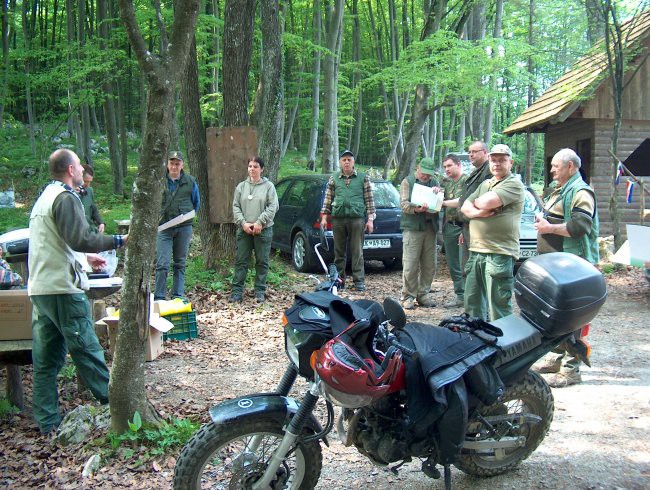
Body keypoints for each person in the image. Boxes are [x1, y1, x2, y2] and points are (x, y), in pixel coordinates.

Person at [28, 148, 127, 434]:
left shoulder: (44, 199)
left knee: (46, 360)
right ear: (71, 170)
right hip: (62, 290)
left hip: (41, 289)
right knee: (86, 347)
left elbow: (55, 243)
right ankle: (117, 409)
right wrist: (119, 240)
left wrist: (84, 259)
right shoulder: (65, 198)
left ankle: (47, 422)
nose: (84, 171)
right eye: (80, 167)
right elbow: (80, 237)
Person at [533, 148, 600, 387]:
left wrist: (548, 229)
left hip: (573, 267)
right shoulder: (562, 190)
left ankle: (572, 369)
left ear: (571, 167)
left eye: (555, 165)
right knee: (558, 315)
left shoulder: (581, 192)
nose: (551, 169)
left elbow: (580, 226)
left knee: (575, 318)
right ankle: (556, 357)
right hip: (558, 266)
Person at [460, 144, 525, 321]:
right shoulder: (485, 184)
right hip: (476, 251)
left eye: (502, 160)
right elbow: (465, 205)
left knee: (499, 305)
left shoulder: (514, 184)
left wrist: (477, 207)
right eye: (493, 160)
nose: (497, 163)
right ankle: (477, 342)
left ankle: (504, 345)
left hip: (499, 253)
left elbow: (486, 202)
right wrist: (477, 213)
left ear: (510, 163)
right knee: (472, 302)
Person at [320, 150, 376, 292]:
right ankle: (339, 280)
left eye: (349, 160)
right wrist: (324, 218)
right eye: (344, 159)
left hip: (357, 219)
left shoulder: (363, 178)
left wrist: (370, 220)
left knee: (357, 251)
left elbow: (369, 200)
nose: (346, 162)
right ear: (340, 162)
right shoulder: (334, 178)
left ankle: (359, 281)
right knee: (339, 252)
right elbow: (327, 200)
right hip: (338, 219)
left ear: (353, 162)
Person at [230, 157, 279, 303]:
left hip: (263, 230)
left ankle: (259, 292)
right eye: (250, 166)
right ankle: (237, 293)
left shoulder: (269, 186)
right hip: (244, 230)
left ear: (261, 169)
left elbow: (273, 206)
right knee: (241, 261)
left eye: (255, 166)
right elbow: (235, 206)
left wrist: (259, 222)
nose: (252, 169)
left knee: (262, 261)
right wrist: (243, 223)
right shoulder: (241, 187)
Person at [154, 151, 200, 301]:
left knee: (180, 262)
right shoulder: (159, 181)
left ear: (182, 165)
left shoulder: (191, 181)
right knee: (162, 263)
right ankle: (159, 297)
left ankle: (177, 296)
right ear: (167, 165)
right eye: (171, 163)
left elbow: (196, 203)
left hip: (184, 228)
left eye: (177, 163)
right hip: (164, 228)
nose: (174, 166)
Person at [399, 157, 440, 309]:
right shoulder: (407, 181)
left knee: (430, 265)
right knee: (410, 264)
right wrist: (416, 209)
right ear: (418, 168)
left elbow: (441, 202)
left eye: (429, 175)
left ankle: (423, 294)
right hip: (413, 228)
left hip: (430, 228)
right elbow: (403, 205)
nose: (426, 177)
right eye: (424, 173)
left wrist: (438, 193)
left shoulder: (434, 182)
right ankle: (408, 296)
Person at [458, 141, 493, 268]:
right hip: (468, 226)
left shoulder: (489, 171)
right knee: (467, 267)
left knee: (476, 268)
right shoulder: (476, 172)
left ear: (484, 153)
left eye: (474, 152)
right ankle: (467, 289)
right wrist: (464, 226)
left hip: (479, 228)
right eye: (469, 152)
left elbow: (486, 200)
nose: (471, 155)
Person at [441, 154, 468, 308]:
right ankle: (460, 296)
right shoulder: (449, 184)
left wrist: (442, 203)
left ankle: (468, 296)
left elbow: (461, 202)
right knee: (453, 264)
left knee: (463, 263)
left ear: (458, 164)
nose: (447, 169)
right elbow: (439, 196)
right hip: (449, 227)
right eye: (445, 167)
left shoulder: (467, 181)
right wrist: (437, 191)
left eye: (450, 166)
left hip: (462, 226)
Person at [78, 164, 105, 233]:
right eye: (85, 181)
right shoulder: (71, 192)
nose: (87, 184)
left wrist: (101, 222)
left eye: (90, 181)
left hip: (89, 229)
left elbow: (93, 208)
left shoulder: (90, 190)